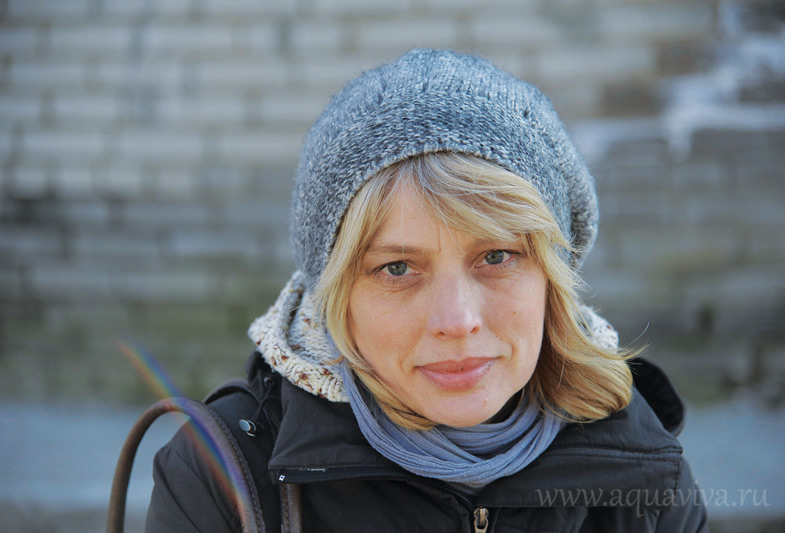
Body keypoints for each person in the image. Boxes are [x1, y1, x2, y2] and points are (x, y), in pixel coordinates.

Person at [145, 49, 708, 532]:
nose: (457, 321)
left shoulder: (643, 468)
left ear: (552, 280)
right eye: (397, 268)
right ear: (336, 296)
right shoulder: (220, 475)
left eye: (495, 257)